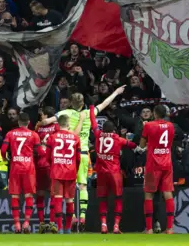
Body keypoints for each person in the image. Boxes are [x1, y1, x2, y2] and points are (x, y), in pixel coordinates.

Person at [41, 84, 126, 231]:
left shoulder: (64, 113)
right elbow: (104, 104)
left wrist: (43, 122)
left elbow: (45, 122)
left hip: (68, 156)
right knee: (83, 186)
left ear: (70, 102)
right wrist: (116, 92)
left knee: (69, 189)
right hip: (84, 154)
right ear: (82, 103)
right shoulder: (88, 113)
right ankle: (83, 217)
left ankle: (72, 215)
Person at [89, 104, 136, 234]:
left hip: (101, 173)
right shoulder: (118, 139)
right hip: (115, 173)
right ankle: (116, 226)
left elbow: (93, 121)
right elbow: (132, 145)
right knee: (118, 198)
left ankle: (103, 225)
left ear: (103, 129)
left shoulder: (98, 135)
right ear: (114, 130)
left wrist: (92, 108)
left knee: (103, 199)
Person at [1, 112, 41, 233]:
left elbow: (3, 150)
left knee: (15, 196)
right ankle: (26, 224)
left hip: (15, 167)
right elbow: (40, 151)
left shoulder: (10, 133)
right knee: (28, 195)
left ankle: (17, 225)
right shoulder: (34, 135)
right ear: (29, 122)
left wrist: (4, 158)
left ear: (18, 122)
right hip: (29, 168)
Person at [139, 104, 175, 234]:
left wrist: (145, 129)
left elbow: (142, 145)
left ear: (154, 113)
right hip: (167, 163)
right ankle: (170, 228)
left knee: (149, 194)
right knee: (167, 193)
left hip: (153, 164)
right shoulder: (171, 126)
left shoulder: (149, 125)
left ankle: (149, 229)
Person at [45, 114, 81, 234]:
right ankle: (68, 228)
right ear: (68, 123)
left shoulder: (52, 137)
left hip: (57, 171)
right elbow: (78, 158)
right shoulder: (75, 138)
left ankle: (60, 227)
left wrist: (54, 164)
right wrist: (74, 169)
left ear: (58, 124)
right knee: (70, 200)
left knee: (58, 199)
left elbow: (48, 157)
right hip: (70, 171)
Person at [35, 106, 60, 233]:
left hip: (40, 163)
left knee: (40, 194)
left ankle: (41, 223)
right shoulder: (57, 127)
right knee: (53, 194)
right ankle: (51, 222)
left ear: (46, 116)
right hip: (52, 163)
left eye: (42, 114)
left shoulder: (38, 127)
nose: (41, 117)